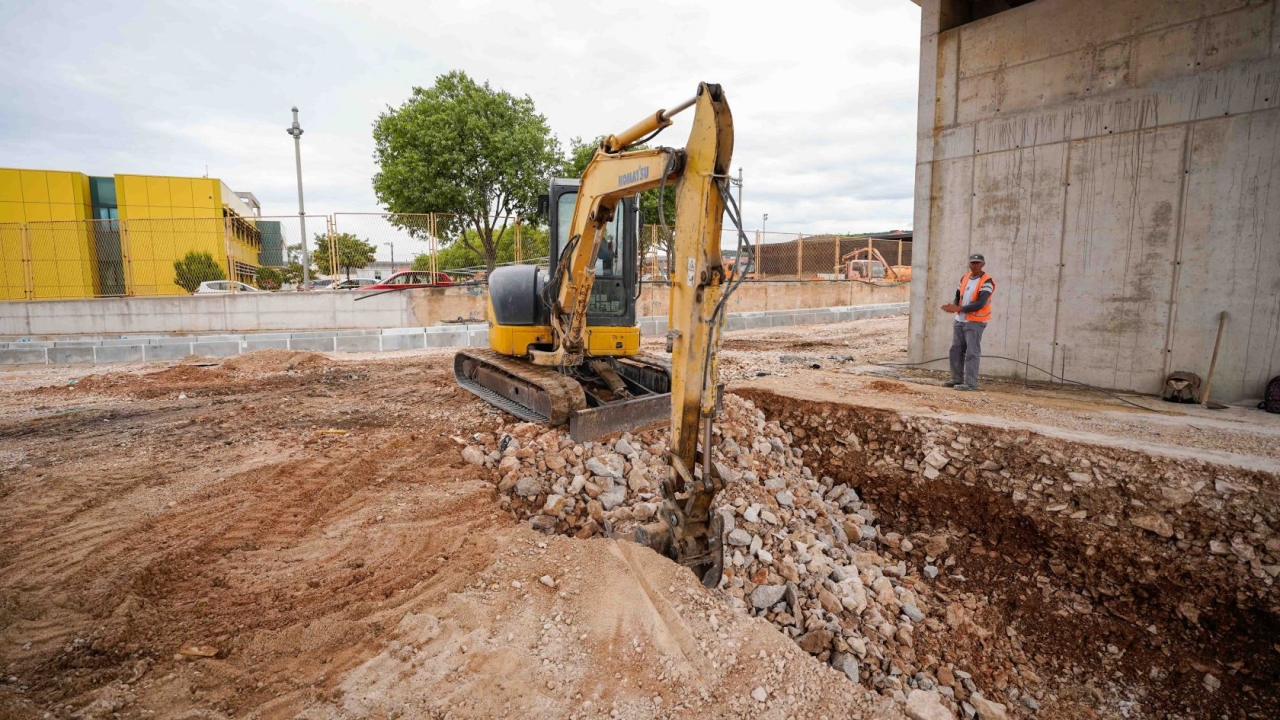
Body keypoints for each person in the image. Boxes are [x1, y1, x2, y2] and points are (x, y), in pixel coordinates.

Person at [940, 253, 995, 391]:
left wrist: (958, 308)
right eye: (972, 263)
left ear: (983, 264)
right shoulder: (964, 278)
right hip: (960, 320)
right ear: (969, 264)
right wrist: (953, 307)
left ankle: (971, 383)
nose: (974, 265)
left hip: (975, 321)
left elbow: (980, 304)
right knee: (956, 350)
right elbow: (958, 296)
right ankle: (956, 379)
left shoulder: (987, 281)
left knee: (972, 352)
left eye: (977, 263)